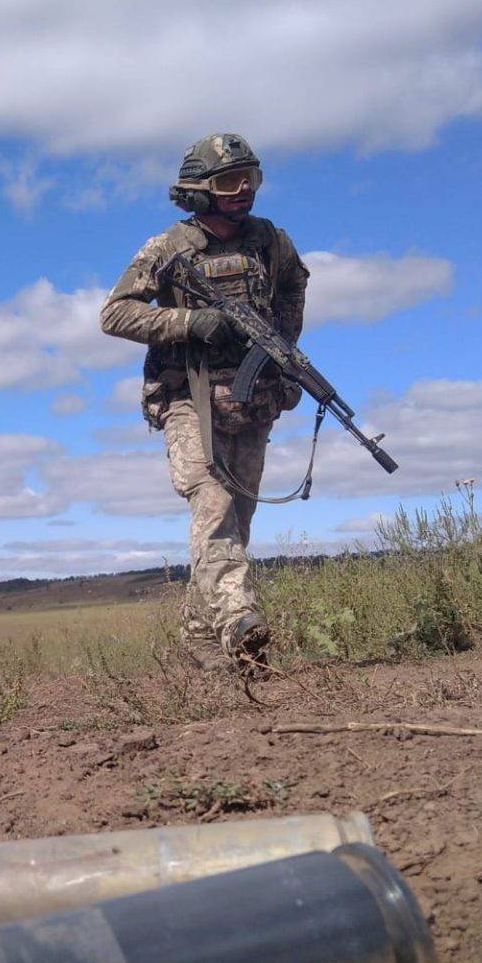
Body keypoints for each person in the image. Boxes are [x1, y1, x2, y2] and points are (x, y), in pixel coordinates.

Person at [100, 133, 309, 673]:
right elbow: (115, 313)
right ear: (199, 191)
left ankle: (197, 639)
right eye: (228, 182)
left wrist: (280, 350)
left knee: (237, 517)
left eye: (251, 179)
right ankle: (242, 620)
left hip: (250, 398)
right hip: (188, 398)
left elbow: (293, 289)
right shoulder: (169, 247)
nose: (242, 191)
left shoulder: (271, 243)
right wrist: (190, 321)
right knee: (213, 508)